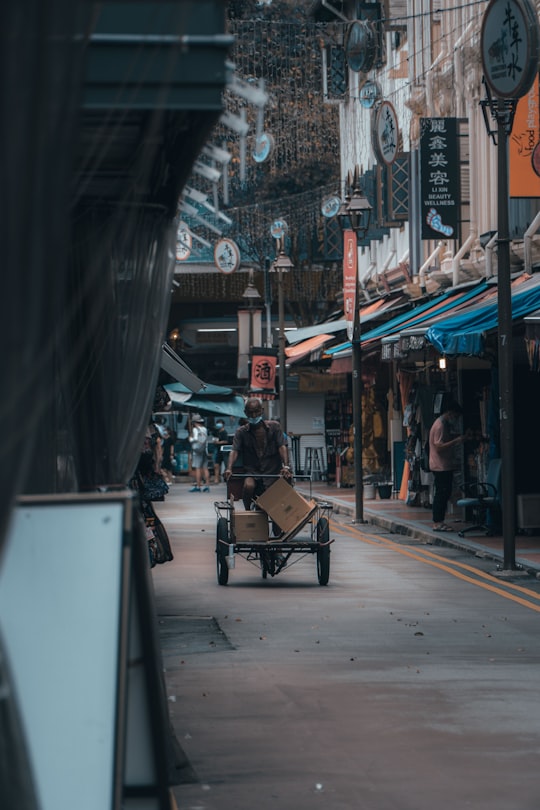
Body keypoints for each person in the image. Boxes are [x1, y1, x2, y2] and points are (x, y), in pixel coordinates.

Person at [223, 397, 292, 510]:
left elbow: (282, 446)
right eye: (250, 412)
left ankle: (277, 526)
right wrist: (229, 468)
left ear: (262, 411)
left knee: (278, 504)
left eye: (256, 411)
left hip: (273, 472)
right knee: (248, 486)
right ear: (245, 413)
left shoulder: (275, 427)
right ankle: (248, 512)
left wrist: (286, 466)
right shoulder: (241, 432)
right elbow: (234, 450)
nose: (254, 415)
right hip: (252, 472)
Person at [428, 400, 464, 531]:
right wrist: (456, 441)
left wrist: (457, 437)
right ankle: (437, 522)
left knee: (444, 492)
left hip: (444, 465)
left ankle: (439, 521)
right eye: (455, 416)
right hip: (440, 465)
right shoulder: (440, 425)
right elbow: (438, 446)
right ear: (450, 413)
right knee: (442, 493)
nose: (455, 419)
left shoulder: (443, 424)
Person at [188, 415, 210, 492]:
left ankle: (198, 486)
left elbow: (195, 439)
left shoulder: (195, 429)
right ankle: (207, 486)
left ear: (194, 422)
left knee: (197, 468)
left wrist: (190, 439)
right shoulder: (204, 429)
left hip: (197, 451)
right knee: (205, 468)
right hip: (204, 450)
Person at [211, 419, 229, 484]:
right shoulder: (216, 432)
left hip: (224, 451)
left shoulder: (224, 432)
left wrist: (219, 442)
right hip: (217, 450)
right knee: (216, 465)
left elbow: (226, 441)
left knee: (226, 465)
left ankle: (227, 478)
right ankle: (216, 479)